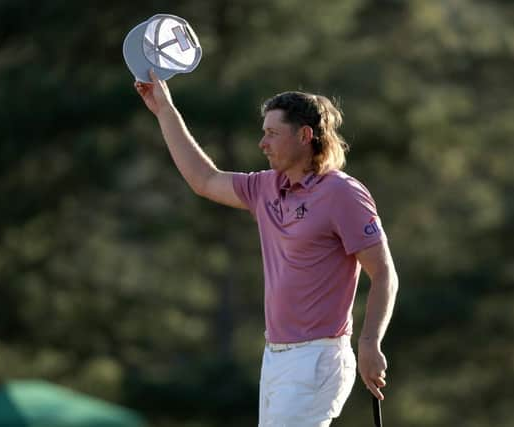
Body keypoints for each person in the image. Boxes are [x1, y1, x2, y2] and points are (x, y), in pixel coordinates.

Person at [135, 69, 399, 426]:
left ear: (305, 136)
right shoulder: (266, 187)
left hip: (318, 357)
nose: (263, 143)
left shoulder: (342, 193)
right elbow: (205, 179)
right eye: (263, 133)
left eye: (273, 133)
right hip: (276, 356)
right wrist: (164, 110)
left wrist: (370, 343)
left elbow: (383, 273)